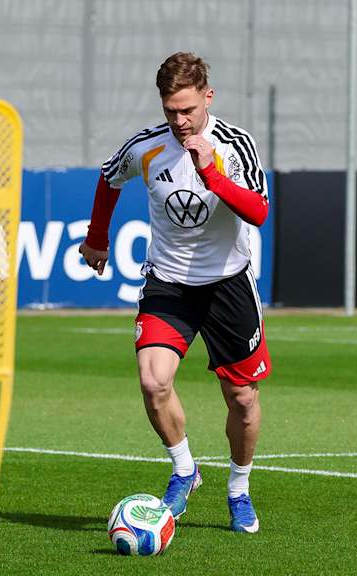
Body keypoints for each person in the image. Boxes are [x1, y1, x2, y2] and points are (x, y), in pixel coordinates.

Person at [79, 52, 270, 534]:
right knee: (153, 381)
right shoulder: (147, 147)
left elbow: (259, 212)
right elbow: (108, 177)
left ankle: (239, 489)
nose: (180, 121)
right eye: (171, 111)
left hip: (229, 282)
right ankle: (185, 469)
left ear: (208, 97)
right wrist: (97, 237)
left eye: (188, 109)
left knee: (242, 399)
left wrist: (211, 173)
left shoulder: (236, 147)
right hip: (168, 281)